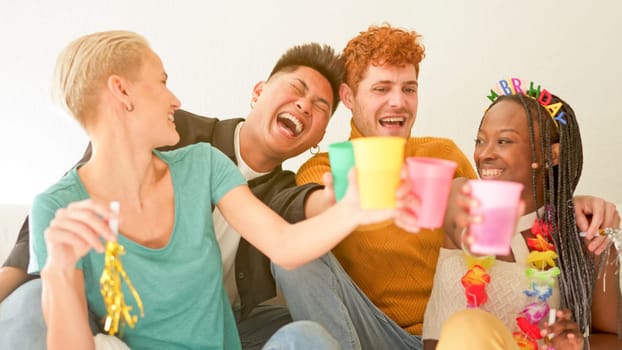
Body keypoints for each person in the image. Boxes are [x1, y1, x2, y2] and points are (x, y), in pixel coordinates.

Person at [27, 29, 418, 349]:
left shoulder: (202, 164)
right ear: (121, 91)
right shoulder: (56, 210)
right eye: (162, 82)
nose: (175, 98)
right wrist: (59, 273)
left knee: (307, 339)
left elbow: (285, 243)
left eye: (319, 106)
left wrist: (352, 207)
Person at [271, 24, 621, 350]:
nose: (398, 101)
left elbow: (505, 208)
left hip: (450, 334)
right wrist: (355, 195)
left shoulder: (442, 155)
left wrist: (570, 201)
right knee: (294, 260)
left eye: (408, 88)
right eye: (381, 89)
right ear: (347, 96)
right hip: (368, 331)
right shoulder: (323, 170)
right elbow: (302, 236)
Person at [422, 82, 622, 349]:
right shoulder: (460, 195)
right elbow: (462, 221)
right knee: (468, 326)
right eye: (480, 141)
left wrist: (577, 346)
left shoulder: (585, 233)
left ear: (551, 155)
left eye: (504, 141)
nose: (485, 154)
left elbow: (611, 337)